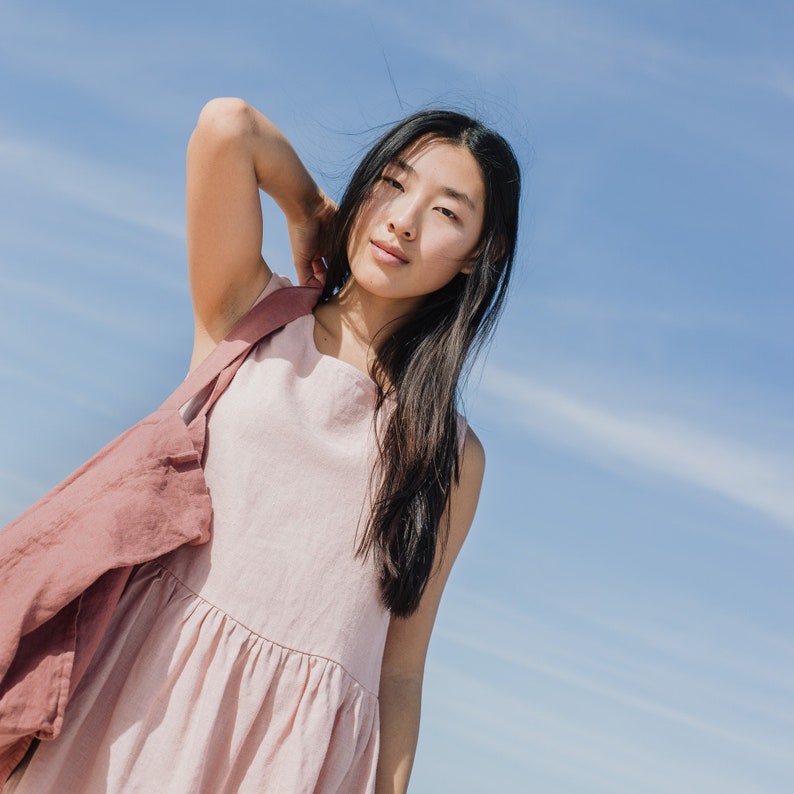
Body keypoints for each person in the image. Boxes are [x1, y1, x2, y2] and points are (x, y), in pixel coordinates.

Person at [5, 97, 520, 793]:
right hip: (134, 700)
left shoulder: (451, 457)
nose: (403, 218)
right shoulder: (251, 318)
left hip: (286, 757)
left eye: (447, 212)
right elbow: (228, 126)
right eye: (394, 182)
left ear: (475, 259)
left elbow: (400, 669)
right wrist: (308, 208)